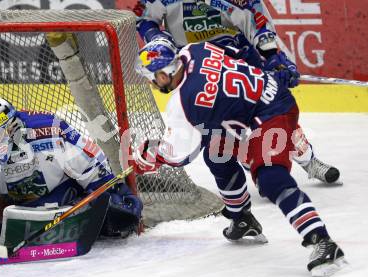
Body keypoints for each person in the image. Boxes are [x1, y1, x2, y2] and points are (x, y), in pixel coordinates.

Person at [133, 39, 346, 277]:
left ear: (165, 73)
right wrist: (269, 73)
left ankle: (323, 241)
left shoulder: (182, 103)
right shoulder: (195, 49)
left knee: (271, 179)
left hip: (271, 112)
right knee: (217, 153)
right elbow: (238, 49)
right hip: (255, 104)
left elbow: (180, 155)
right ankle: (242, 219)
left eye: (152, 77)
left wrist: (152, 155)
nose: (151, 83)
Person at [133, 0, 340, 184]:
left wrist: (273, 59)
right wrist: (160, 39)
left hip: (238, 59)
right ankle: (253, 159)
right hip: (194, 66)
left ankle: (308, 159)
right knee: (224, 128)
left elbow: (256, 21)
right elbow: (144, 18)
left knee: (270, 110)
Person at [0, 96, 142, 268]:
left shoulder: (51, 131)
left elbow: (92, 170)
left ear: (13, 129)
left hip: (64, 196)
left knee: (113, 209)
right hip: (15, 208)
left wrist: (119, 194)